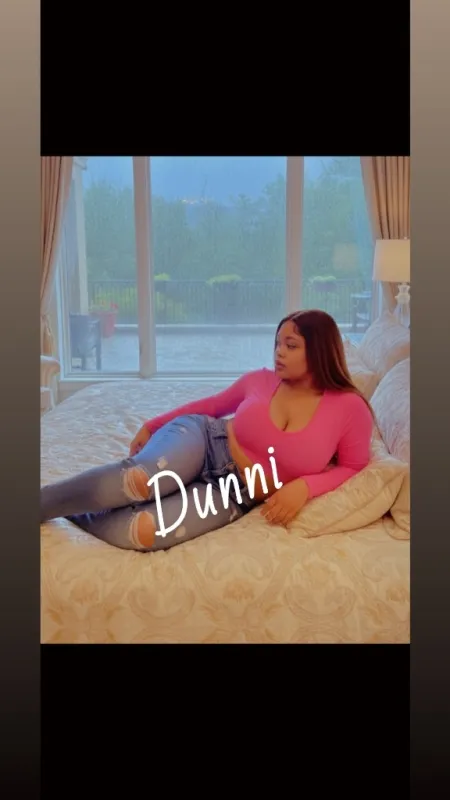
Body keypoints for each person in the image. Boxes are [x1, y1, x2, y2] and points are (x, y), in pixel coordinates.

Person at [40, 309, 374, 552]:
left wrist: (304, 487)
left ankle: (76, 511)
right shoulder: (260, 380)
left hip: (233, 494)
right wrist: (153, 424)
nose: (279, 352)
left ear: (319, 350)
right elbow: (213, 405)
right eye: (277, 343)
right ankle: (42, 502)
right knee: (139, 481)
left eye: (291, 345)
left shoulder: (349, 408)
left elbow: (353, 465)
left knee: (144, 531)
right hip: (204, 441)